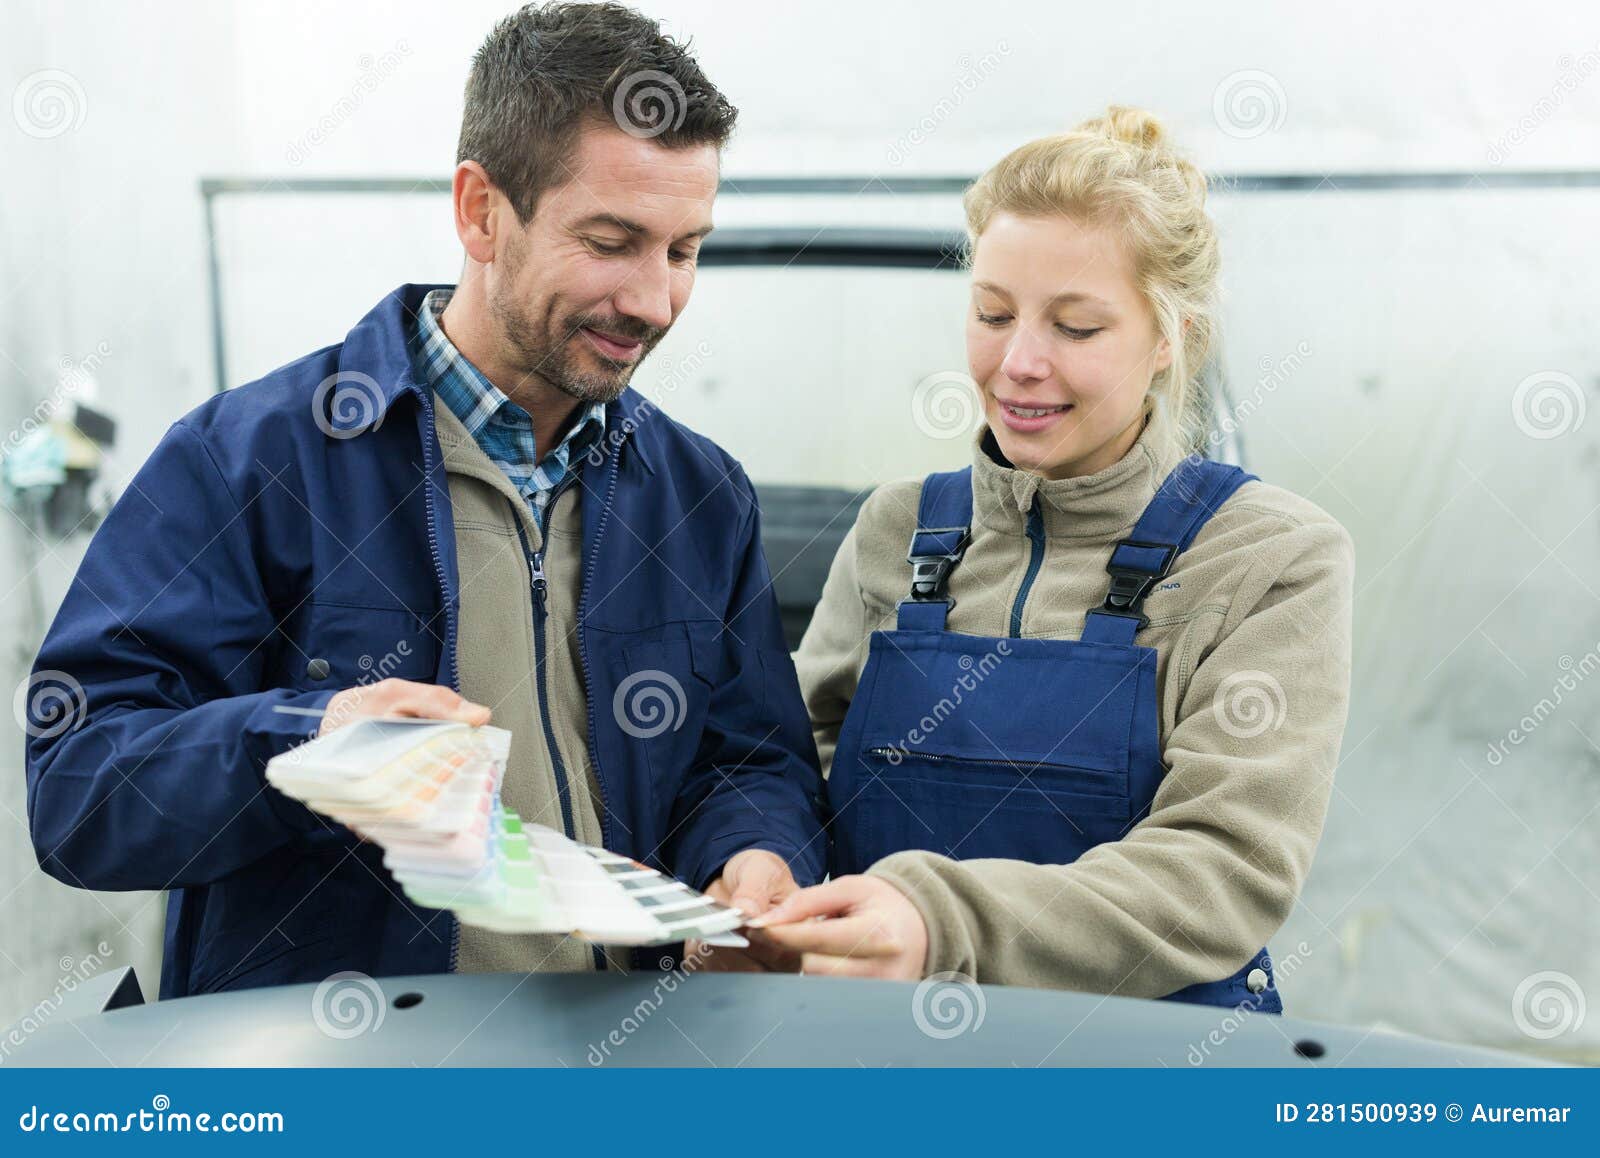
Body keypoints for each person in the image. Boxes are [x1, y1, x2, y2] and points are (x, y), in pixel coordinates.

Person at [24, 1, 823, 999]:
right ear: (480, 211)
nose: (654, 301)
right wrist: (311, 740)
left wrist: (754, 861)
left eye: (684, 249)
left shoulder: (698, 494)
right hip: (349, 1084)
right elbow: (82, 794)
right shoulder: (249, 462)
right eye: (612, 242)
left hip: (629, 1069)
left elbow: (748, 761)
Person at [753, 107, 1354, 1012]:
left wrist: (936, 922)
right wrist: (761, 876)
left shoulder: (1271, 560)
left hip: (1143, 1079)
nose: (1019, 362)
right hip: (878, 1054)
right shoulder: (899, 530)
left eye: (1075, 328)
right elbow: (795, 764)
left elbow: (1219, 872)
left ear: (1168, 340)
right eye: (993, 313)